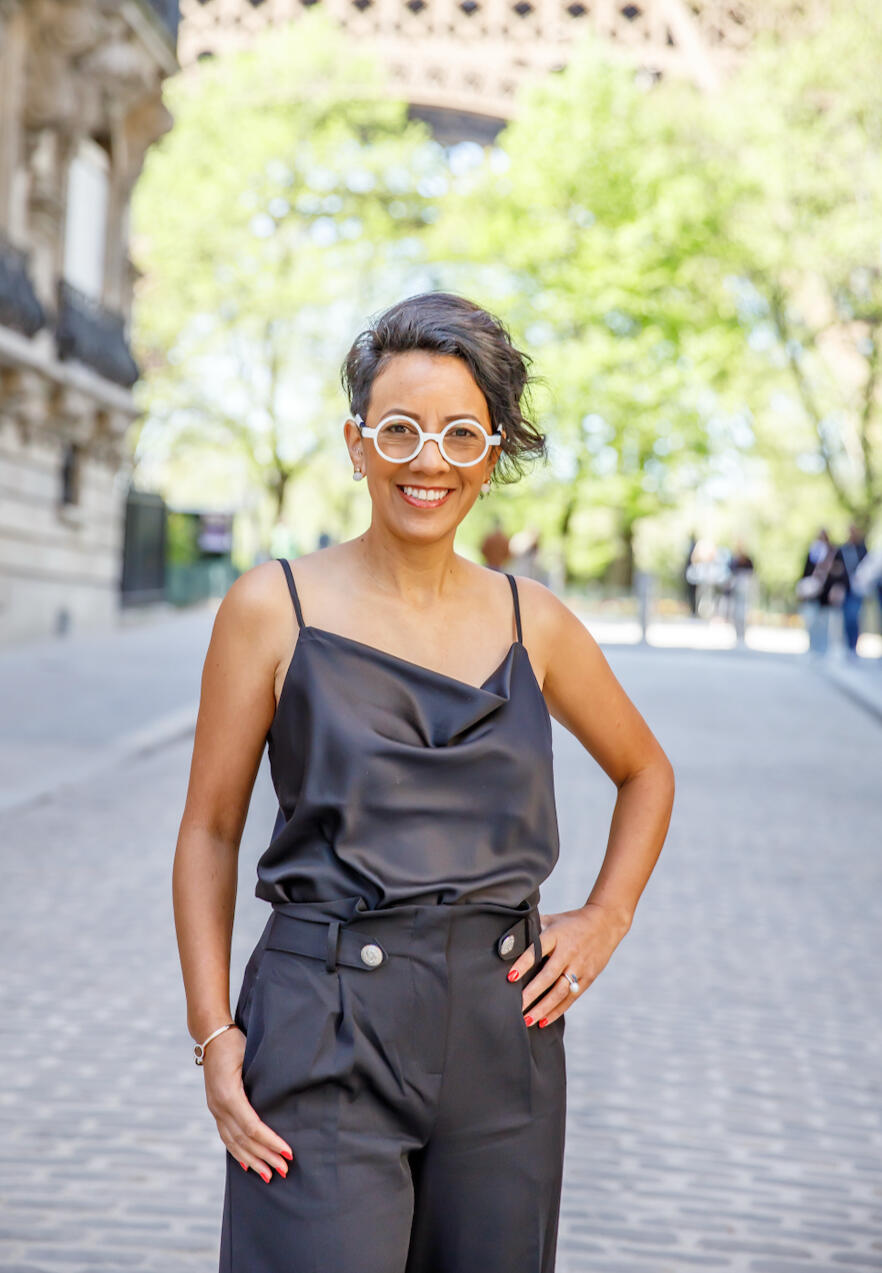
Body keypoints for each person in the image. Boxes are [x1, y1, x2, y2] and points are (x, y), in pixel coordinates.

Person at [172, 292, 675, 1273]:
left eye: (458, 433)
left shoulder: (541, 625)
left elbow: (646, 770)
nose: (428, 459)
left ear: (492, 454)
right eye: (399, 430)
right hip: (320, 1023)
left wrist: (605, 918)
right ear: (358, 445)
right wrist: (213, 1032)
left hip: (504, 1033)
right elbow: (211, 829)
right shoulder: (269, 610)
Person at [828, 523, 868, 658]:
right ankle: (847, 646)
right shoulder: (842, 550)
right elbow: (835, 569)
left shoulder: (862, 549)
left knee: (853, 617)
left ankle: (853, 646)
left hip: (857, 589)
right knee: (845, 617)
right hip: (845, 589)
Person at [797, 528, 836, 657]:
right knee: (811, 620)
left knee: (823, 622)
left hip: (824, 595)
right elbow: (805, 571)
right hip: (811, 594)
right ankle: (813, 647)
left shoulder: (832, 553)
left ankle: (823, 649)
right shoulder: (813, 552)